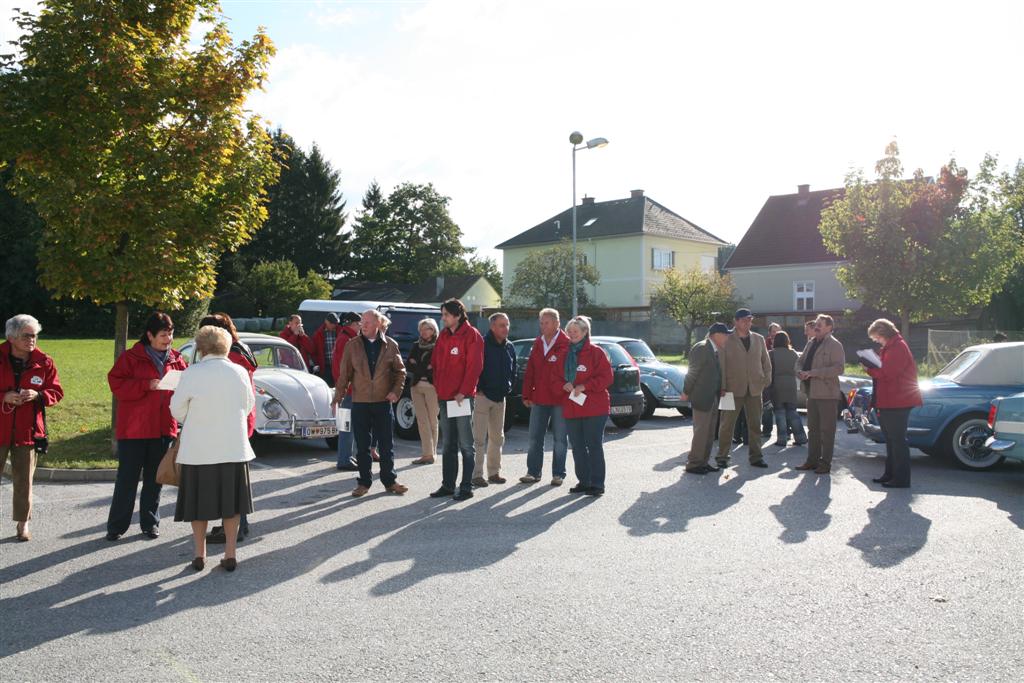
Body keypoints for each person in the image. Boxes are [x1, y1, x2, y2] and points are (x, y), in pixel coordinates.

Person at [170, 326, 255, 572]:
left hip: (199, 449)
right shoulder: (239, 371)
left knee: (199, 505)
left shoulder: (191, 373)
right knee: (232, 505)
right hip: (233, 448)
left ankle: (199, 553)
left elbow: (176, 410)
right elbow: (248, 405)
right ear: (226, 346)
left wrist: (195, 417)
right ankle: (230, 553)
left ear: (201, 348)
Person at [105, 312, 188, 541]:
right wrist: (145, 385)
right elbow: (116, 383)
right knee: (127, 479)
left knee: (155, 479)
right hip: (134, 430)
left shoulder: (177, 359)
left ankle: (150, 523)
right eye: (163, 334)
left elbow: (187, 387)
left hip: (163, 428)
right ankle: (116, 526)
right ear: (150, 335)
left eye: (171, 334)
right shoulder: (130, 358)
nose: (168, 339)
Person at [1, 314, 64, 541]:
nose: (32, 340)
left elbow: (56, 392)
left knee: (24, 481)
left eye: (35, 335)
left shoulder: (44, 361)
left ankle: (22, 524)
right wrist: (4, 397)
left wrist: (38, 395)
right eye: (27, 335)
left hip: (27, 431)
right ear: (11, 338)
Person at [197, 313, 257, 544]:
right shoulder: (242, 348)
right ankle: (237, 525)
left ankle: (235, 528)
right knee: (235, 477)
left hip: (231, 420)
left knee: (231, 480)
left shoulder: (230, 355)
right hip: (243, 418)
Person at [333, 310, 408, 497]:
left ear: (378, 324)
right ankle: (364, 483)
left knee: (386, 445)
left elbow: (400, 372)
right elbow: (344, 375)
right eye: (361, 322)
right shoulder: (352, 345)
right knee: (363, 445)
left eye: (367, 322)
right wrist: (337, 397)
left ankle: (390, 481)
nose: (362, 325)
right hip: (360, 402)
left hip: (383, 402)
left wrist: (396, 392)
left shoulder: (391, 345)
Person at [429, 299, 484, 501]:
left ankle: (466, 486)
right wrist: (438, 386)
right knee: (449, 444)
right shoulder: (443, 335)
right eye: (442, 314)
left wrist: (464, 391)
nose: (442, 318)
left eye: (445, 315)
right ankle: (448, 485)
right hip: (445, 397)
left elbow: (474, 367)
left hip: (461, 399)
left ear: (457, 315)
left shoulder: (472, 336)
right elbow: (435, 363)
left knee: (466, 445)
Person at [863, 318, 922, 488]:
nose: (876, 340)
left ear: (883, 333)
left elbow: (888, 373)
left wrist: (869, 368)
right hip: (891, 400)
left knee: (897, 441)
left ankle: (901, 479)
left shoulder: (898, 347)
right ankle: (890, 474)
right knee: (891, 440)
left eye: (876, 337)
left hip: (898, 400)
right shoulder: (892, 346)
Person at [562, 316, 612, 495]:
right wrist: (564, 384)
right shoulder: (564, 352)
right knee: (577, 446)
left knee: (594, 445)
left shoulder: (596, 352)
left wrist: (585, 386)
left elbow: (607, 378)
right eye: (570, 331)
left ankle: (597, 484)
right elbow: (554, 376)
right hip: (572, 407)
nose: (572, 334)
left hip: (594, 407)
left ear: (585, 332)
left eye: (576, 331)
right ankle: (584, 481)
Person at [520, 308, 570, 486]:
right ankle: (533, 472)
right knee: (534, 438)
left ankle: (558, 474)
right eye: (541, 323)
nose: (542, 326)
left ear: (557, 323)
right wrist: (526, 394)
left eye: (546, 322)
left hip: (560, 399)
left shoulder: (567, 343)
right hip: (539, 399)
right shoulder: (538, 343)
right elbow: (530, 372)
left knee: (560, 439)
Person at [716, 308, 772, 469]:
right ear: (736, 321)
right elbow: (721, 365)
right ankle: (722, 456)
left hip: (755, 389)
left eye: (750, 320)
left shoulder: (759, 339)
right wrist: (722, 386)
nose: (748, 322)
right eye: (744, 320)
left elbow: (766, 363)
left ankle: (756, 457)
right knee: (726, 424)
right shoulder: (726, 339)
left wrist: (766, 380)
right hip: (729, 390)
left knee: (755, 424)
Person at [795, 314, 845, 475]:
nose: (816, 326)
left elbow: (839, 369)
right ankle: (812, 461)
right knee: (813, 430)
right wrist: (799, 371)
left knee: (827, 430)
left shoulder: (835, 345)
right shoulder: (811, 343)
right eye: (816, 323)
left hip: (827, 394)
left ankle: (825, 463)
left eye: (820, 324)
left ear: (829, 327)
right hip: (811, 393)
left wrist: (813, 373)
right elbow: (800, 361)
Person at [471, 312, 516, 488]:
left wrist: (509, 386)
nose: (505, 328)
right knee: (479, 439)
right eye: (501, 325)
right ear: (492, 326)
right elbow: (473, 367)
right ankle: (476, 475)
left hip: (500, 398)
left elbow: (513, 370)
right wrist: (478, 388)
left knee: (498, 438)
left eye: (507, 325)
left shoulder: (509, 346)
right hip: (482, 397)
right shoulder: (480, 344)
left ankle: (494, 473)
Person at [682, 323, 729, 474]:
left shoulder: (714, 349)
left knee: (709, 433)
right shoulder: (702, 348)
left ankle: (703, 462)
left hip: (712, 397)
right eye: (725, 334)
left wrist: (720, 388)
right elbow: (692, 372)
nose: (727, 337)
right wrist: (686, 391)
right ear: (716, 335)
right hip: (702, 398)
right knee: (701, 432)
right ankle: (694, 464)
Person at [330, 312, 363, 471]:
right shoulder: (347, 340)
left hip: (345, 388)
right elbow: (347, 367)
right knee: (347, 426)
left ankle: (346, 457)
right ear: (353, 324)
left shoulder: (343, 338)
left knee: (347, 424)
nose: (361, 326)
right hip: (349, 389)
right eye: (359, 323)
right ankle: (344, 459)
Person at [407, 318, 440, 465]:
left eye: (427, 328)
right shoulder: (416, 345)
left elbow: (435, 368)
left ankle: (432, 453)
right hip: (416, 387)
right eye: (421, 329)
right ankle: (427, 454)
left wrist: (418, 365)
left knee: (432, 420)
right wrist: (423, 367)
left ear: (433, 330)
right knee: (422, 420)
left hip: (433, 388)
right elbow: (409, 365)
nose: (423, 332)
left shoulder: (439, 346)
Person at [768, 331, 807, 447]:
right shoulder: (793, 353)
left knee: (780, 412)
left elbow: (768, 371)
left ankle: (782, 439)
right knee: (792, 412)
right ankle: (801, 437)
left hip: (777, 384)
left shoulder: (771, 354)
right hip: (791, 384)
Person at [310, 312, 340, 386]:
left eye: (335, 323)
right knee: (328, 387)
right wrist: (317, 364)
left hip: (338, 366)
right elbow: (313, 351)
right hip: (325, 367)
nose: (334, 325)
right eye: (332, 323)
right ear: (326, 321)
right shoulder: (318, 334)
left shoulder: (340, 331)